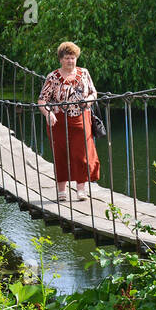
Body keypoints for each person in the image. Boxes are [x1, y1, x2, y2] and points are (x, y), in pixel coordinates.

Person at [37, 41, 100, 201]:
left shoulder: (84, 73)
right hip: (58, 121)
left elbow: (93, 92)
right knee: (61, 154)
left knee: (81, 155)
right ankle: (61, 191)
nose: (70, 61)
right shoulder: (52, 77)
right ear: (60, 59)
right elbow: (42, 100)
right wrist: (48, 113)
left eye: (73, 58)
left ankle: (80, 190)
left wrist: (89, 101)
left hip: (81, 118)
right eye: (67, 58)